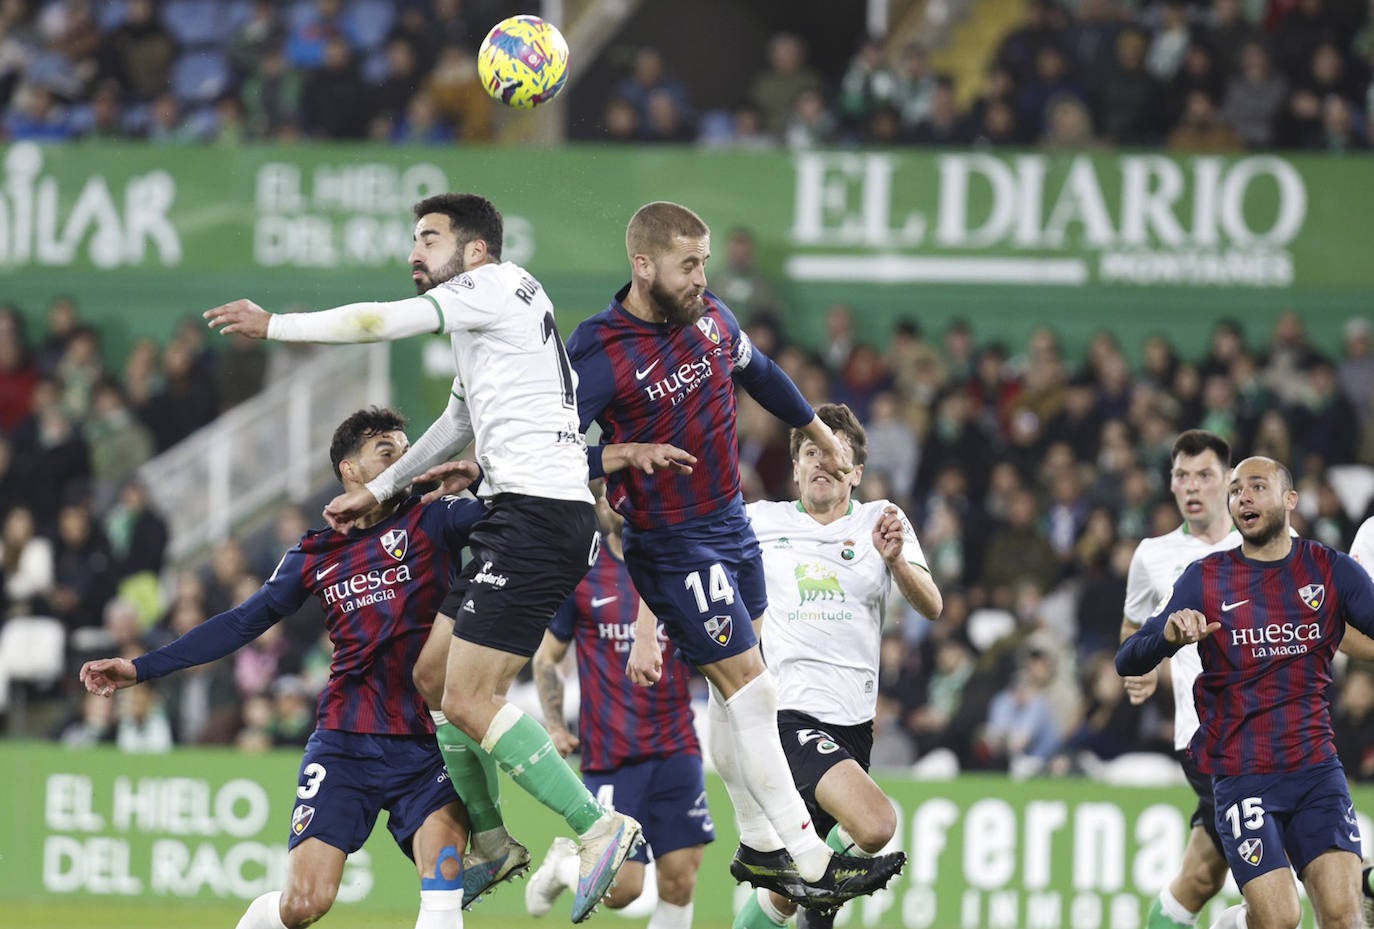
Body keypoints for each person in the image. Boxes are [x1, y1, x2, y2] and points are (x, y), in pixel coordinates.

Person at [204, 193, 686, 922]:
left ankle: (597, 826)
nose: (414, 253)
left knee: (468, 696)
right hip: (517, 514)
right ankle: (489, 840)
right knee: (432, 675)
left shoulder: (490, 287)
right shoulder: (489, 318)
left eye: (428, 238)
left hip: (536, 515)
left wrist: (276, 324)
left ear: (475, 250)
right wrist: (386, 488)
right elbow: (459, 421)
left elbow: (377, 321)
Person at [565, 201, 906, 911]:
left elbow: (763, 372)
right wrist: (618, 453)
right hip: (671, 539)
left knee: (733, 693)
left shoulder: (711, 315)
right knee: (754, 686)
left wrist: (818, 427)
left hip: (729, 526)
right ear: (643, 265)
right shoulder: (600, 349)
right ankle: (805, 858)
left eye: (705, 262)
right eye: (688, 264)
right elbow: (543, 448)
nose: (701, 276)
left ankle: (756, 844)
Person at [80, 407, 477, 929]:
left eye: (408, 450)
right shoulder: (316, 552)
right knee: (305, 903)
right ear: (349, 471)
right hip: (347, 740)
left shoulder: (436, 518)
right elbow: (240, 623)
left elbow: (526, 505)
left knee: (445, 880)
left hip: (429, 741)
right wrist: (141, 667)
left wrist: (481, 476)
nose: (406, 460)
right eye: (388, 451)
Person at [1124, 434, 1374, 929]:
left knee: (1344, 917)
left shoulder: (1330, 570)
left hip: (1316, 768)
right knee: (1279, 918)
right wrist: (1166, 639)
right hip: (1238, 766)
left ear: (1289, 499)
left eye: (1255, 487)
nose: (1243, 498)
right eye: (1237, 490)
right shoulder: (1201, 575)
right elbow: (1129, 653)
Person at [733, 403, 942, 929]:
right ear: (796, 467)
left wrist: (894, 561)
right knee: (874, 824)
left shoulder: (881, 520)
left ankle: (809, 891)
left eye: (835, 455)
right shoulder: (761, 522)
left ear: (857, 473)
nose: (822, 463)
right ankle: (817, 883)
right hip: (788, 717)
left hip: (853, 727)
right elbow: (691, 552)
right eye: (811, 452)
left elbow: (933, 605)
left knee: (792, 894)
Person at [525, 480, 712, 929]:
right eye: (606, 494)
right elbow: (547, 659)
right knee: (622, 890)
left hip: (676, 746)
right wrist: (554, 723)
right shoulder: (582, 575)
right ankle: (565, 866)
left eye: (624, 492)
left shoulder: (679, 569)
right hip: (611, 756)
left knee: (680, 881)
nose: (616, 502)